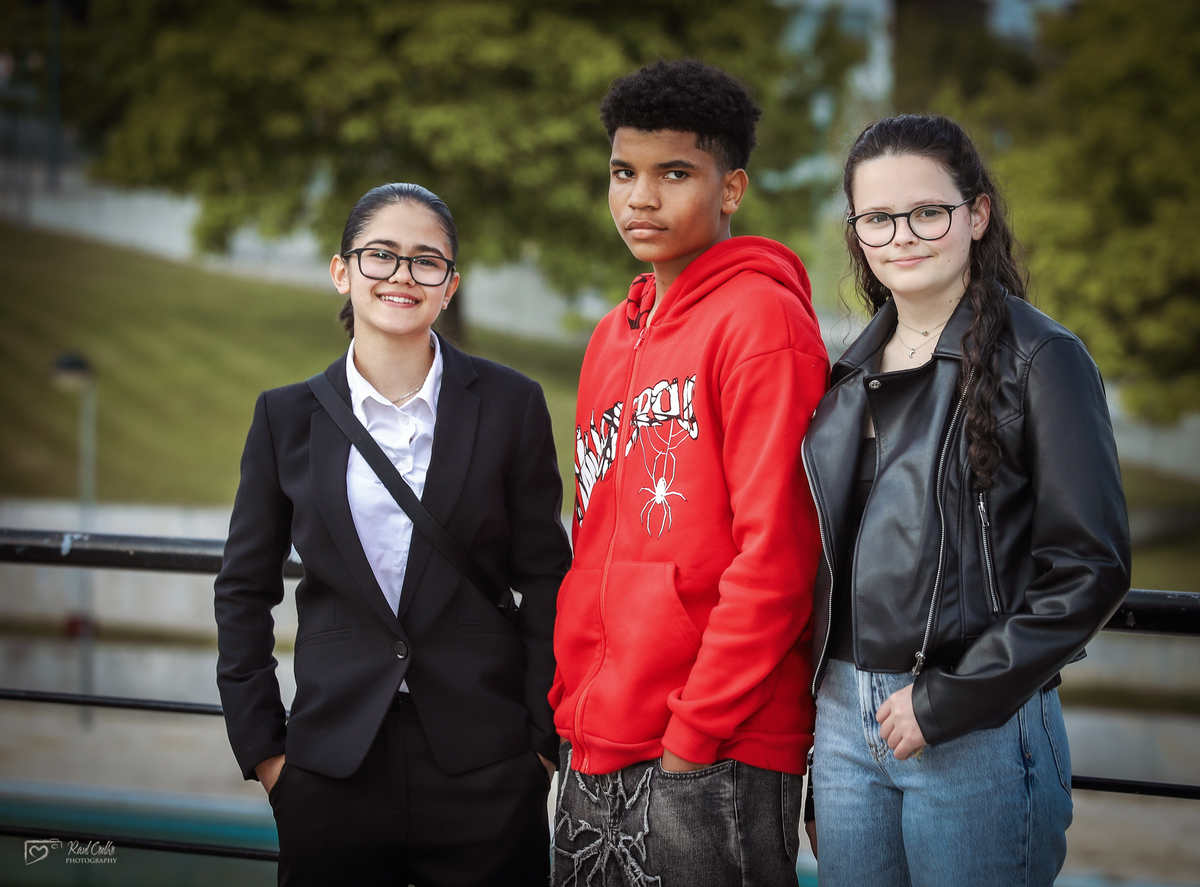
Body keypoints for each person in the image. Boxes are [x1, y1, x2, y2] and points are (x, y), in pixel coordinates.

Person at [802, 114, 1131, 885]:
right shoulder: (846, 374)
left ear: (976, 214)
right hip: (844, 720)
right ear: (857, 231)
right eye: (878, 218)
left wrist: (946, 701)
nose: (902, 237)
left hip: (977, 722)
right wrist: (825, 745)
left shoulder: (1042, 358)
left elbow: (1090, 567)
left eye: (928, 212)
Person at [214, 182, 572, 887]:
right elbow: (243, 589)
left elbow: (546, 577)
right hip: (330, 768)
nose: (402, 275)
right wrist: (264, 751)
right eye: (380, 255)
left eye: (425, 261)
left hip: (487, 765)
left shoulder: (512, 403)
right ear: (342, 271)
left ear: (450, 284)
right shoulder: (284, 417)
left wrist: (541, 741)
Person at [549, 59, 829, 886]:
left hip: (713, 753)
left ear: (731, 187)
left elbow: (779, 554)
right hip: (594, 742)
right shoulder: (612, 334)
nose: (640, 198)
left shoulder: (764, 320)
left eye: (674, 173)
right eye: (623, 173)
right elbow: (593, 533)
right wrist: (571, 705)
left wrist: (691, 738)